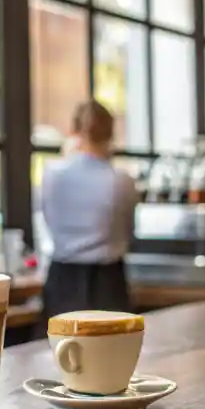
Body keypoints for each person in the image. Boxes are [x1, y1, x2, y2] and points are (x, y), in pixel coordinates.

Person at [39, 101, 137, 319]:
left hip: (62, 277)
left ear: (73, 131)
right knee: (112, 348)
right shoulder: (122, 180)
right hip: (108, 279)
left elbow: (47, 219)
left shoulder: (52, 174)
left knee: (60, 346)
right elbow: (129, 231)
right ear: (111, 134)